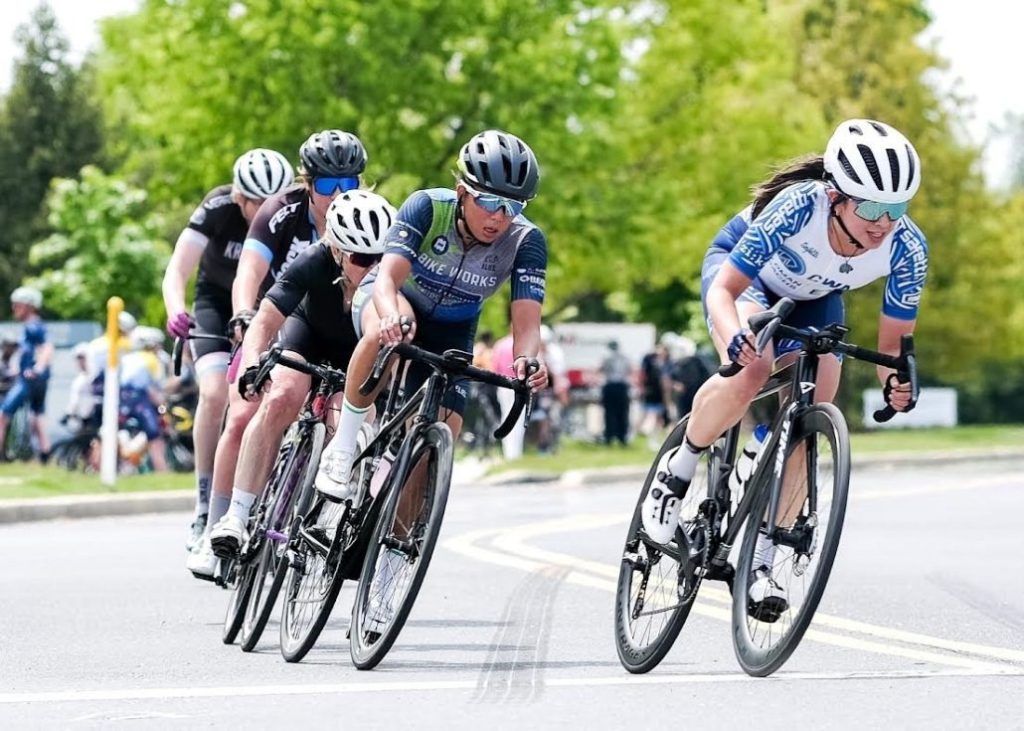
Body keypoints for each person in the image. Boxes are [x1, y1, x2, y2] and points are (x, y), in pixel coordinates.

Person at [641, 119, 927, 617]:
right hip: (745, 279)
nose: (883, 222)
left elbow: (892, 347)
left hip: (815, 298)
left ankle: (761, 562)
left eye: (896, 208)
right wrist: (734, 336)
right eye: (870, 207)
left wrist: (895, 384)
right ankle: (677, 469)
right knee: (754, 367)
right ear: (836, 197)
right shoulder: (799, 207)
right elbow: (724, 291)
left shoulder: (908, 247)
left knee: (817, 398)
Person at [313, 129, 549, 501]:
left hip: (455, 326)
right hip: (395, 299)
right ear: (462, 192)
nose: (499, 217)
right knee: (397, 328)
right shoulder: (427, 207)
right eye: (489, 201)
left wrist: (527, 360)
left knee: (439, 442)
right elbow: (387, 280)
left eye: (513, 207)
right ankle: (341, 449)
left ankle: (397, 533)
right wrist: (389, 316)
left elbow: (527, 323)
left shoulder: (526, 241)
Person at [190, 191, 394, 573]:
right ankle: (236, 514)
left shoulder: (387, 282)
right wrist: (252, 363)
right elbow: (265, 321)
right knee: (283, 394)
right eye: (362, 259)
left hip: (353, 358)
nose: (372, 268)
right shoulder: (313, 259)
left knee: (347, 422)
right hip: (306, 338)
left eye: (380, 258)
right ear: (337, 250)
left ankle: (320, 518)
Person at [163, 147, 294, 552]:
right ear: (239, 197)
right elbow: (177, 269)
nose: (266, 210)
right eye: (257, 202)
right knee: (215, 392)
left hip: (267, 306)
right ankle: (205, 505)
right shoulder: (218, 207)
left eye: (274, 200)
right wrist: (175, 309)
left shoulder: (286, 214)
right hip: (217, 305)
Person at [0, 287, 53, 458]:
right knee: (37, 416)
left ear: (29, 306)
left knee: (3, 414)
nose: (14, 309)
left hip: (29, 380)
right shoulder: (33, 326)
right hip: (35, 379)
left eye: (17, 305)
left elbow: (47, 347)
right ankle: (46, 454)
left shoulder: (33, 326)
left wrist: (38, 368)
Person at [119, 326, 170, 472]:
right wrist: (163, 405)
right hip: (140, 401)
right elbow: (156, 387)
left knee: (120, 431)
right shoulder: (151, 359)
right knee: (155, 435)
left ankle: (125, 462)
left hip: (121, 401)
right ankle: (162, 470)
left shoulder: (125, 358)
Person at [599, 340, 632, 446]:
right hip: (622, 386)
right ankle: (622, 436)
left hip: (610, 385)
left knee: (609, 413)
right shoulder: (624, 357)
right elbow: (629, 370)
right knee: (623, 413)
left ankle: (609, 436)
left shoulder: (606, 357)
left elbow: (601, 369)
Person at [638, 342, 670, 447]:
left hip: (659, 393)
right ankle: (636, 433)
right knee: (645, 414)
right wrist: (642, 387)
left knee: (659, 417)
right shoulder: (649, 360)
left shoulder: (665, 363)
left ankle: (654, 438)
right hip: (650, 391)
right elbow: (643, 374)